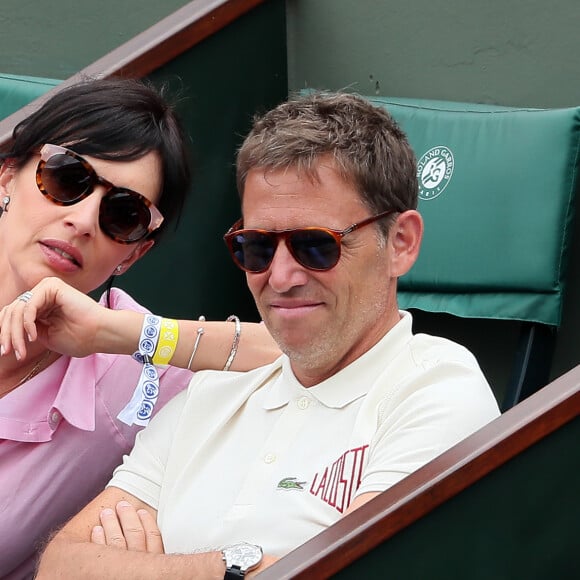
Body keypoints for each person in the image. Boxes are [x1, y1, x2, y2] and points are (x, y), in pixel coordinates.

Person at [27, 91, 500, 578]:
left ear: (400, 243)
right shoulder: (209, 396)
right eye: (256, 247)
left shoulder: (436, 389)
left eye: (316, 245)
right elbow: (62, 565)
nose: (280, 276)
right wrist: (232, 568)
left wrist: (149, 567)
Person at [0, 77, 279, 580]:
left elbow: (309, 349)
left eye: (123, 214)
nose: (83, 220)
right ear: (6, 176)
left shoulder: (131, 368)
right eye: (66, 179)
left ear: (135, 252)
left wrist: (122, 334)